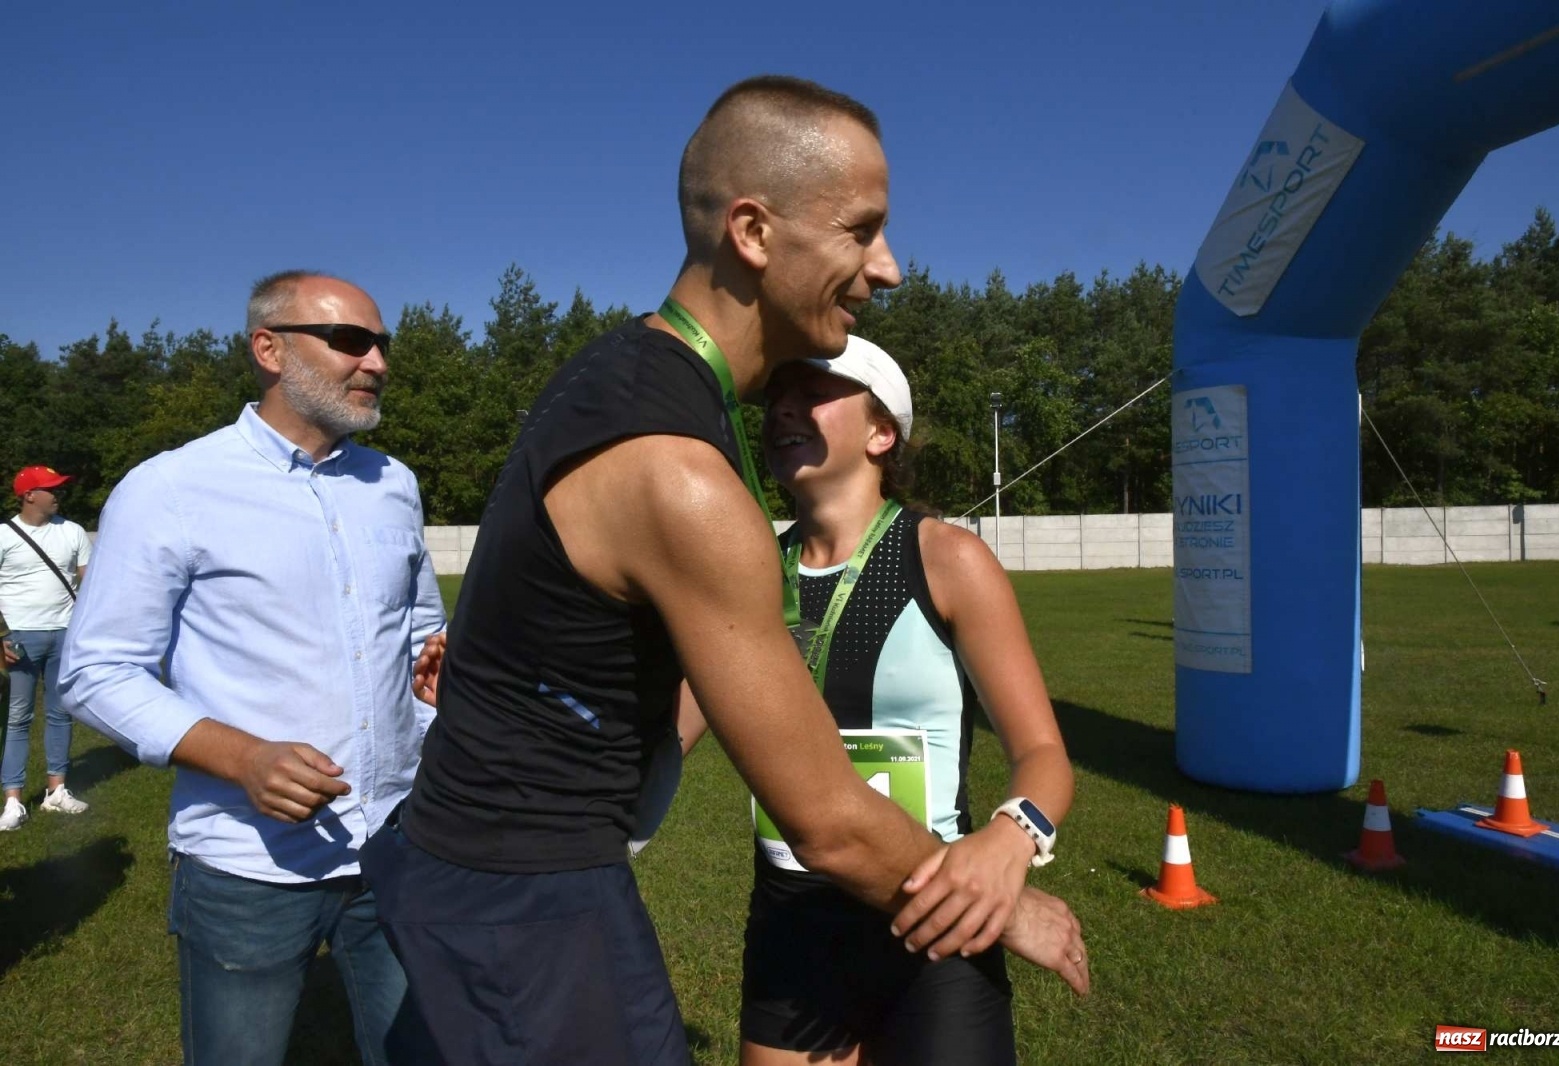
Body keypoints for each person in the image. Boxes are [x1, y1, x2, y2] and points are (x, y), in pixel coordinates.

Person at [363, 75, 1086, 1066]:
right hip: (526, 900)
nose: (888, 268)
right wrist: (1017, 910)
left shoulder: (621, 378)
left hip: (479, 874)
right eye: (861, 230)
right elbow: (827, 822)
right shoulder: (684, 474)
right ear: (752, 231)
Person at [58, 271, 445, 1066]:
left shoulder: (393, 484)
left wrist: (440, 689)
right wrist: (244, 758)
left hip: (396, 847)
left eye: (382, 344)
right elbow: (95, 670)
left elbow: (419, 636)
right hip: (246, 867)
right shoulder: (171, 488)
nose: (377, 362)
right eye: (350, 341)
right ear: (269, 349)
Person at [723, 337, 1076, 1065]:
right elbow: (668, 732)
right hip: (794, 923)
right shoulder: (746, 575)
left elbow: (1043, 754)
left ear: (882, 432)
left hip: (938, 919)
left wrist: (1011, 841)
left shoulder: (949, 559)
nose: (784, 409)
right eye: (777, 398)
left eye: (814, 394)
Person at [1, 465, 94, 830]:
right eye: (51, 489)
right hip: (19, 637)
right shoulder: (5, 535)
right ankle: (13, 800)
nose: (58, 494)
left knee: (60, 712)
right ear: (29, 495)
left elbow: (91, 584)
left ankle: (56, 791)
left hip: (65, 635)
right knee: (18, 718)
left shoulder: (73, 531)